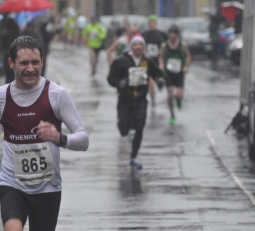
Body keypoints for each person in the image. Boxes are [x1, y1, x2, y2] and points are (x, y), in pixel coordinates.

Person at [0, 36, 89, 231]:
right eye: (24, 63)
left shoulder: (56, 94)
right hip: (11, 183)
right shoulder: (2, 96)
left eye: (35, 62)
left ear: (42, 61)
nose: (30, 69)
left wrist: (59, 138)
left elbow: (83, 140)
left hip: (47, 187)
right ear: (11, 63)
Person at [107, 34, 164, 169]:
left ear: (143, 47)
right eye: (135, 44)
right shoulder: (121, 60)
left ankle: (134, 156)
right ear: (131, 46)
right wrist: (119, 83)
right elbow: (110, 78)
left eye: (140, 44)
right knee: (123, 129)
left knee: (140, 127)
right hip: (125, 99)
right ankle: (125, 127)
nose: (138, 47)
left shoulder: (147, 61)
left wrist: (160, 80)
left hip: (141, 99)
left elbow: (156, 73)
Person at [159, 25, 191, 125]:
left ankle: (178, 100)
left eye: (174, 35)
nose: (172, 37)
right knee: (170, 95)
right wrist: (161, 64)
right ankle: (172, 114)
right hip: (168, 73)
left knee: (179, 95)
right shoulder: (164, 45)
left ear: (177, 36)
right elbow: (161, 56)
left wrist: (186, 66)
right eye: (170, 35)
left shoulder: (183, 45)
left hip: (179, 73)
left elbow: (188, 56)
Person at [142, 14, 166, 111]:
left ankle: (159, 84)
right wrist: (145, 54)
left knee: (159, 80)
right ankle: (153, 101)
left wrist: (162, 61)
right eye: (150, 23)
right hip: (148, 61)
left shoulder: (161, 34)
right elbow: (142, 46)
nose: (152, 25)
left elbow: (164, 46)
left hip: (157, 60)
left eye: (153, 23)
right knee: (150, 83)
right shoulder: (144, 34)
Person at [0, 17, 19, 83]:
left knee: (7, 73)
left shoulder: (4, 32)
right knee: (12, 72)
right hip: (14, 52)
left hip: (6, 54)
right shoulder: (16, 31)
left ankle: (8, 86)